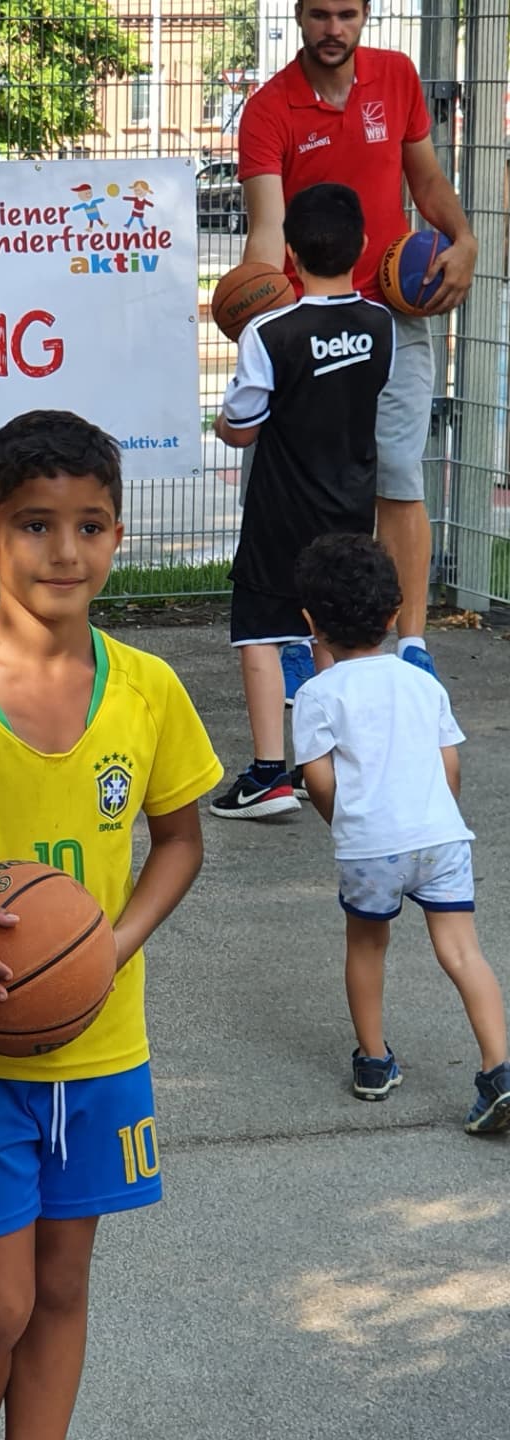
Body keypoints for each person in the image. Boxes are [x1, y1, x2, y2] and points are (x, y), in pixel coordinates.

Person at [0, 411, 222, 1440]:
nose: (65, 550)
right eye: (35, 525)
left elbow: (180, 841)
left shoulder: (149, 690)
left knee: (64, 1288)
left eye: (89, 526)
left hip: (103, 1044)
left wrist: (110, 947)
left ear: (117, 534)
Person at [238, 0, 478, 688]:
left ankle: (410, 645)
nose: (333, 29)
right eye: (320, 15)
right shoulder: (269, 109)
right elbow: (266, 226)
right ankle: (293, 632)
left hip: (390, 314)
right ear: (299, 16)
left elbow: (426, 180)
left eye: (347, 14)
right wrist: (260, 313)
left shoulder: (396, 76)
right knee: (294, 488)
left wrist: (464, 239)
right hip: (306, 321)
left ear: (366, 15)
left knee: (398, 474)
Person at [292, 532, 510, 1133]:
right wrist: (436, 817)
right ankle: (498, 1070)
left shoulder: (316, 694)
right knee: (463, 952)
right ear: (394, 615)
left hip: (372, 847)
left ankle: (373, 1062)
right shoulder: (423, 683)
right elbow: (450, 765)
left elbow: (317, 777)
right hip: (441, 836)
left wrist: (347, 825)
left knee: (367, 946)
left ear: (311, 623)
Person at [210, 183, 394, 821]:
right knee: (335, 633)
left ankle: (268, 775)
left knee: (261, 635)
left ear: (288, 252)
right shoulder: (380, 324)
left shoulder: (268, 330)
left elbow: (243, 427)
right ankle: (334, 762)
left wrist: (222, 425)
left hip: (281, 512)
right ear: (362, 246)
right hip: (352, 510)